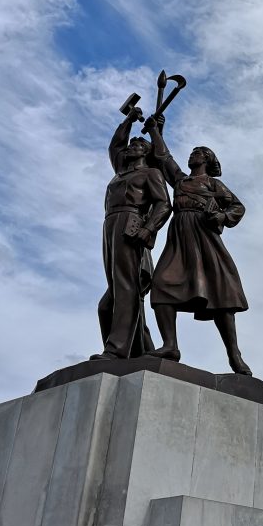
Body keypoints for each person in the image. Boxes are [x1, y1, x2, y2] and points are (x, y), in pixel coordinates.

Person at [143, 117, 252, 375]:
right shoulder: (180, 181)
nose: (192, 155)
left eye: (198, 152)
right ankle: (170, 345)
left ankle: (234, 354)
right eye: (192, 152)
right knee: (161, 284)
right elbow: (164, 158)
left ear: (207, 159)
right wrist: (155, 131)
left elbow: (237, 206)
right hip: (180, 236)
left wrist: (222, 217)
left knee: (220, 292)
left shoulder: (214, 184)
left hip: (204, 237)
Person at [92, 107, 172, 360]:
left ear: (147, 152)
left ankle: (116, 350)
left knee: (124, 289)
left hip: (131, 223)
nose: (132, 146)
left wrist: (148, 228)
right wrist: (128, 121)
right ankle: (141, 351)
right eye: (132, 144)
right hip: (110, 225)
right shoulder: (121, 170)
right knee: (111, 299)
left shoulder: (151, 173)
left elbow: (164, 204)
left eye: (138, 144)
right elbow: (115, 145)